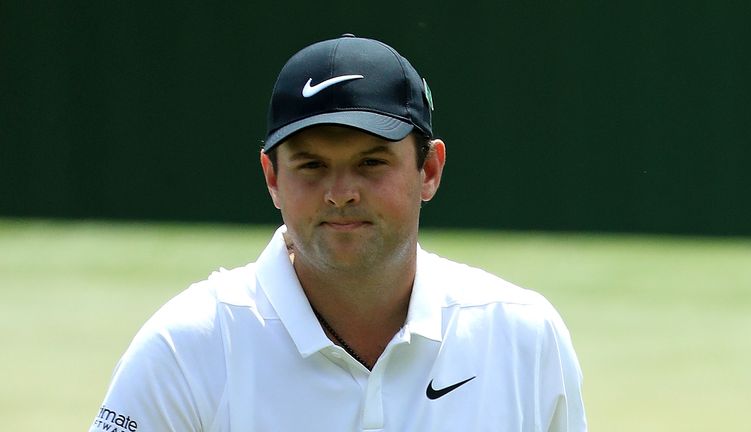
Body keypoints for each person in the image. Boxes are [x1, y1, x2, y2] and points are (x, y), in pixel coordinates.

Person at [89, 34, 587, 432]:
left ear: (429, 170)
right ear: (272, 178)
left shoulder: (523, 335)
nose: (341, 192)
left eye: (371, 163)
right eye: (311, 165)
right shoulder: (185, 346)